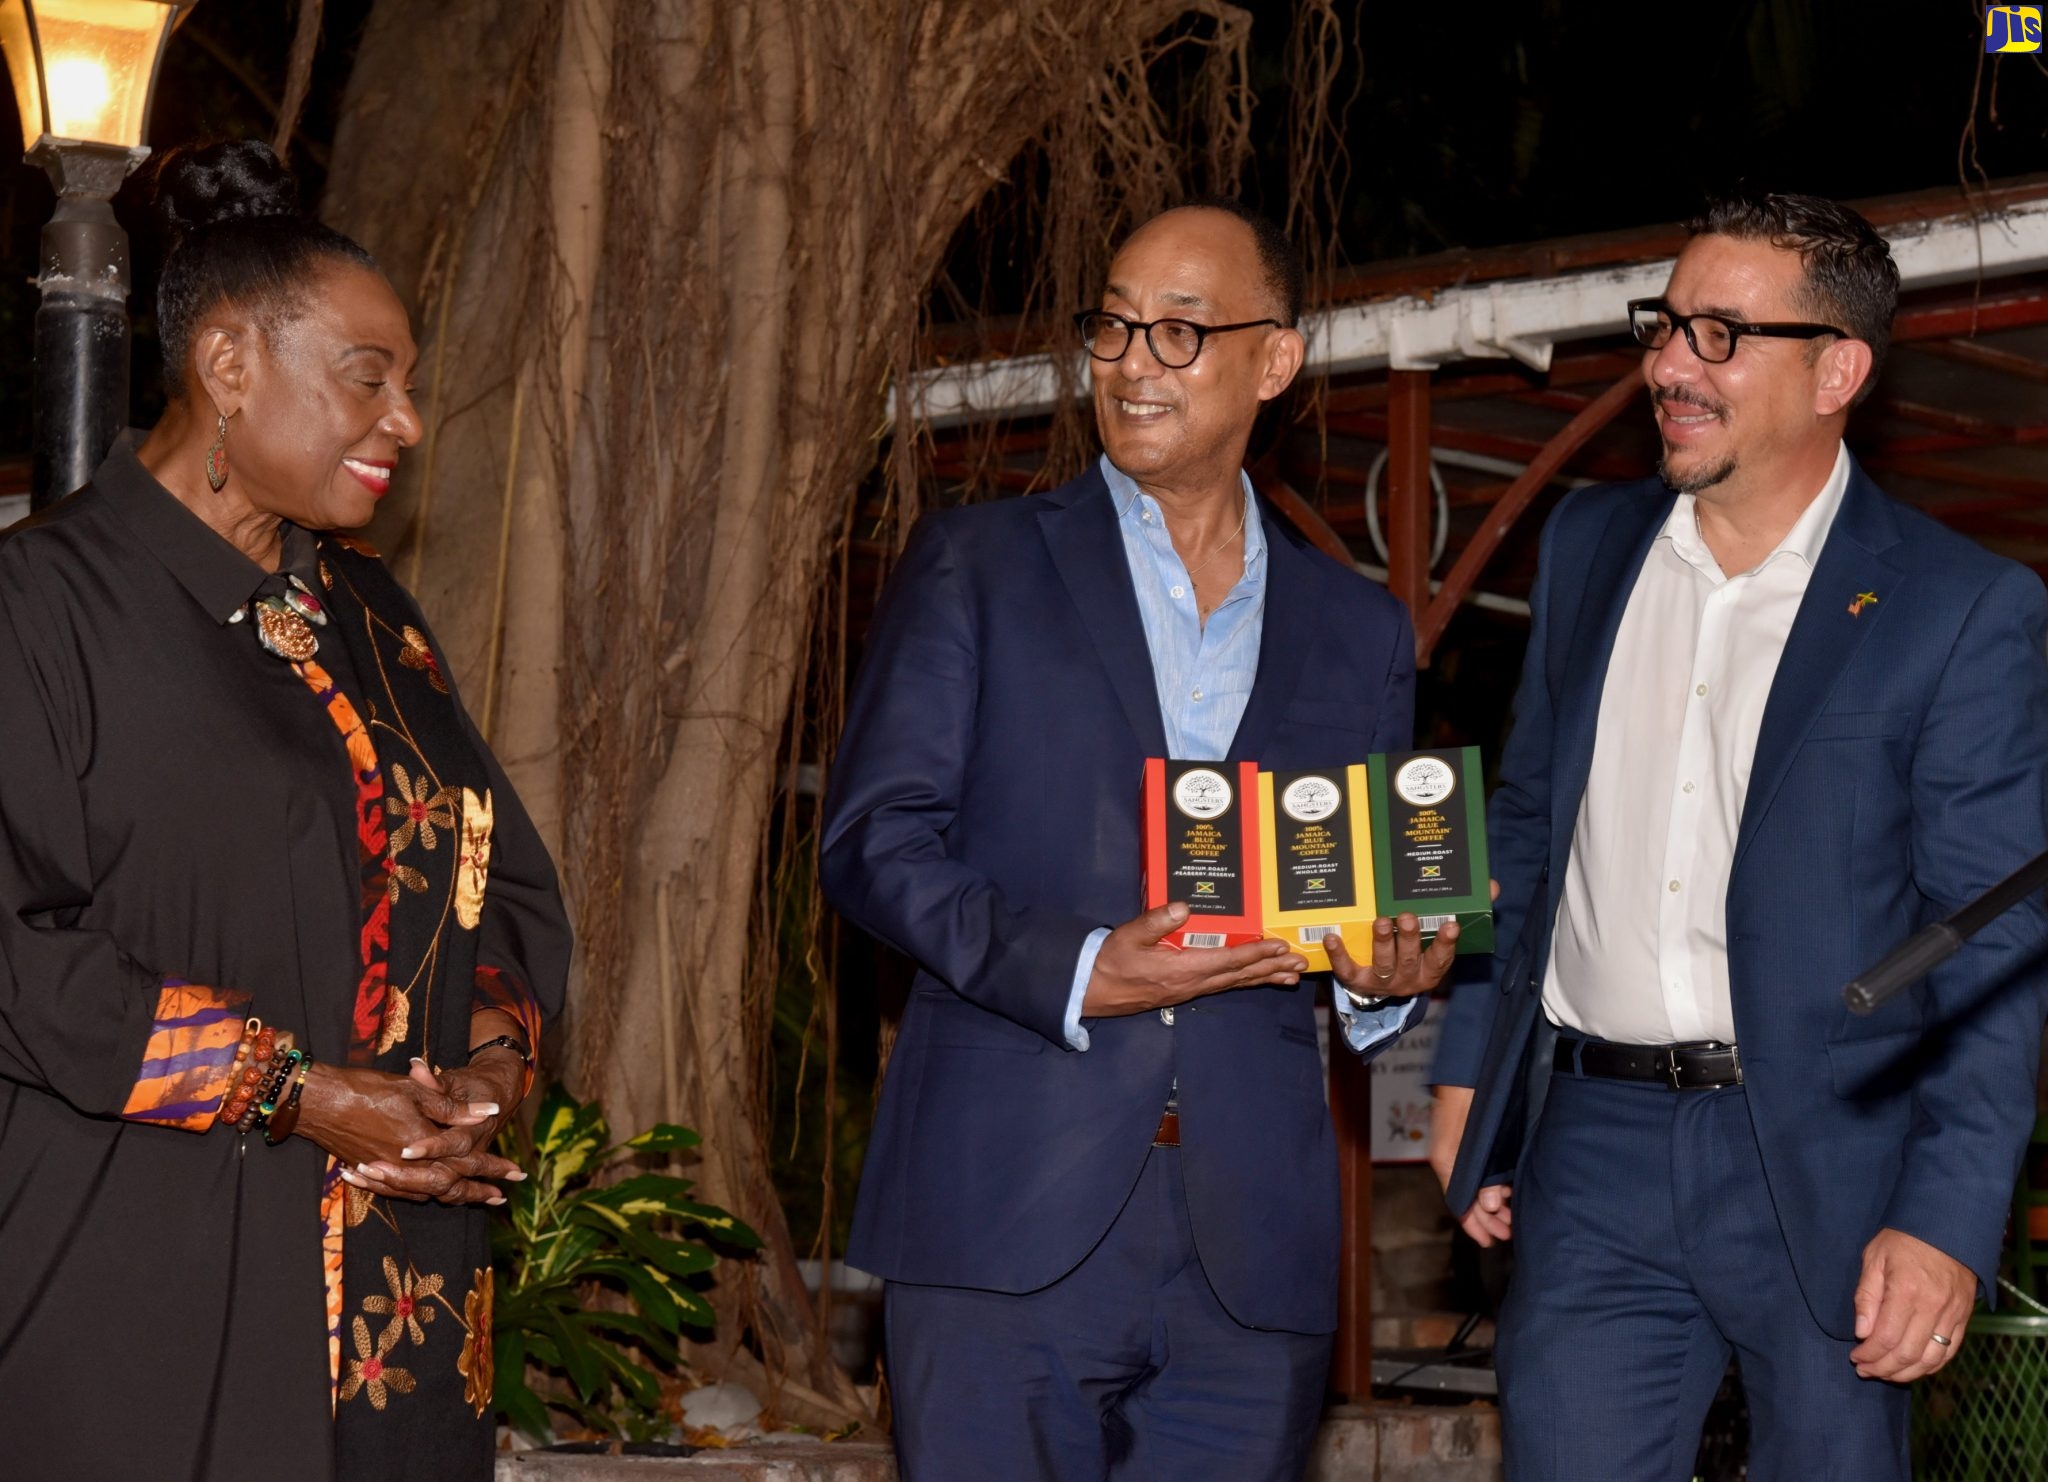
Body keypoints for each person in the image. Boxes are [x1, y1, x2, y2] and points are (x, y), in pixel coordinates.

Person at [821, 200, 1459, 1482]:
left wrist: (1387, 977)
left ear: (1271, 363)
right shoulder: (977, 563)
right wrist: (1080, 967)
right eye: (1112, 326)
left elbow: (1365, 900)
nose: (1130, 362)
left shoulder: (1358, 630)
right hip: (1003, 1214)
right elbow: (871, 841)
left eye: (1178, 332)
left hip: (1251, 1244)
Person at [1428, 191, 2048, 1481]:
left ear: (1838, 370)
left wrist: (1940, 1215)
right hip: (1587, 1149)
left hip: (1823, 1159)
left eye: (1720, 335)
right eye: (1666, 325)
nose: (1665, 364)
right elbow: (1530, 827)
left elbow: (1990, 931)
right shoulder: (1591, 543)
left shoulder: (1956, 606)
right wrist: (1463, 1080)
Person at [0, 140, 572, 1482]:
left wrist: (488, 1065)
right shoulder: (40, 607)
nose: (407, 423)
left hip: (401, 1298)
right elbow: (19, 950)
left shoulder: (375, 618)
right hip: (138, 1270)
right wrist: (296, 1090)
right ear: (229, 366)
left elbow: (492, 879)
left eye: (410, 386)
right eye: (367, 378)